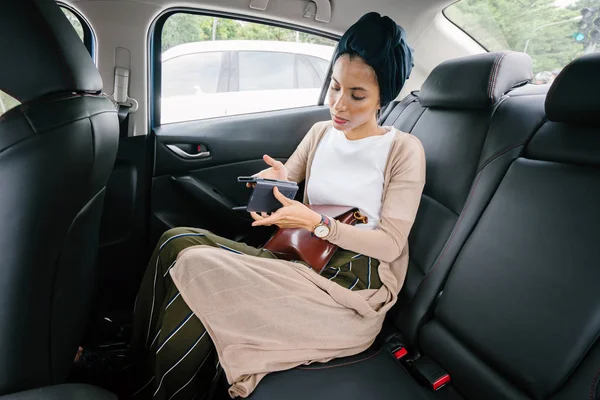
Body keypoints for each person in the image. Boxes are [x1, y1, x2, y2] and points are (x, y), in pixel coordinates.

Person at [129, 12, 426, 400]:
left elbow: (390, 244)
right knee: (175, 240)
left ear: (383, 96)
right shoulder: (322, 132)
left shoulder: (403, 149)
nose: (338, 104)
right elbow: (287, 178)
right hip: (298, 257)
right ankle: (134, 365)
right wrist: (271, 186)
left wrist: (318, 222)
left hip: (349, 286)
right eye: (335, 87)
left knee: (197, 267)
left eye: (357, 96)